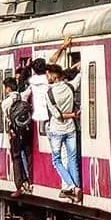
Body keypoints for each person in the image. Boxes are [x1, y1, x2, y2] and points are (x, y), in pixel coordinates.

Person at [44, 62, 82, 201]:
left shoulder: (49, 94)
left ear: (54, 76)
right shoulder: (70, 86)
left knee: (56, 160)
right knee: (72, 158)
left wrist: (70, 115)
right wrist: (79, 67)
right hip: (71, 128)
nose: (47, 77)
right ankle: (77, 187)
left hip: (57, 130)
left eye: (48, 75)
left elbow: (57, 115)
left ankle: (71, 186)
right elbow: (79, 77)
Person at [1, 75, 32, 193]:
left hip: (14, 132)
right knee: (27, 154)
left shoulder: (5, 102)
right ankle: (30, 178)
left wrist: (9, 131)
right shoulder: (23, 96)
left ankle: (20, 184)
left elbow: (7, 118)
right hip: (25, 129)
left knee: (16, 156)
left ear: (8, 88)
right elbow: (30, 89)